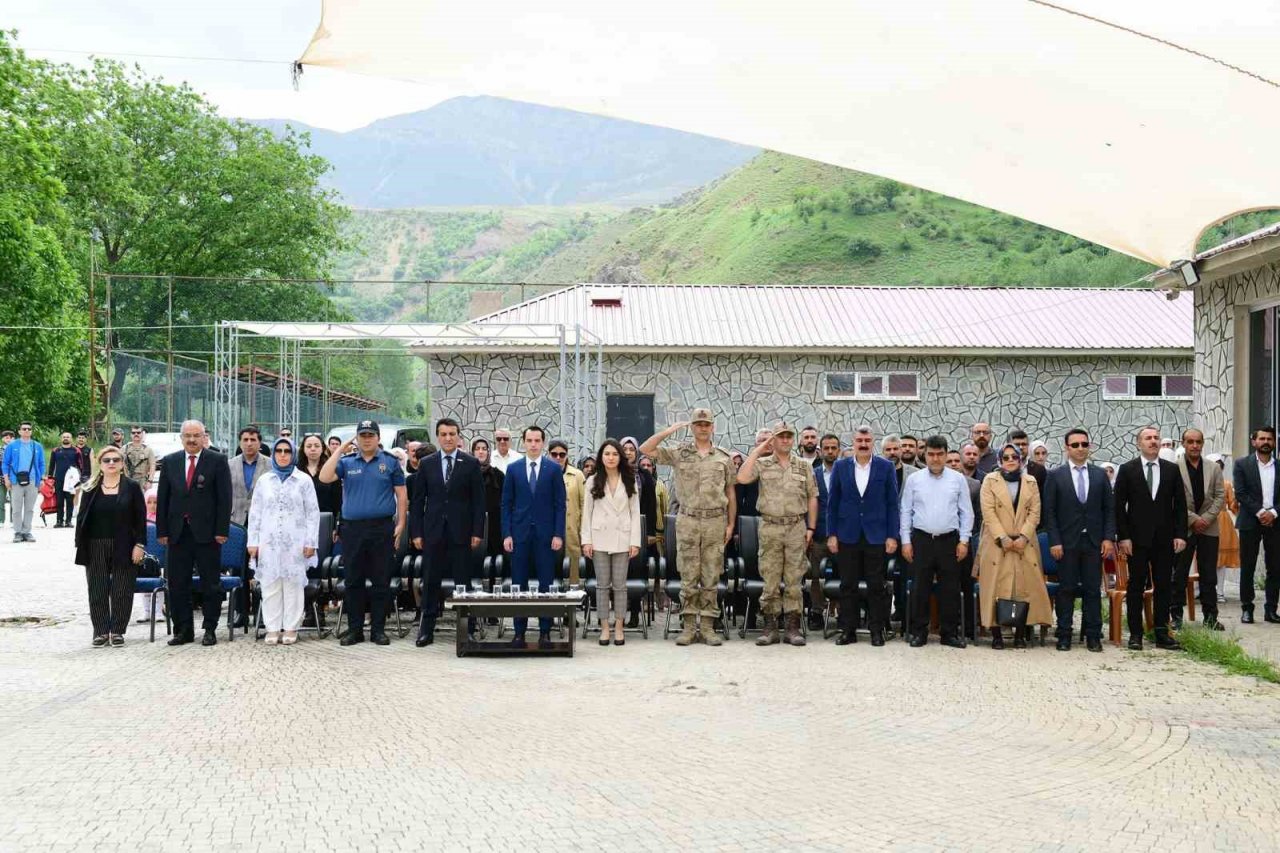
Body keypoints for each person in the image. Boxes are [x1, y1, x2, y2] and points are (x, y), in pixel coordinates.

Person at [641, 410, 736, 646]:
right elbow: (646, 449)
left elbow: (730, 493)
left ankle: (707, 627)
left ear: (712, 427)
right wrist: (670, 430)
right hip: (688, 520)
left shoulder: (723, 457)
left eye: (706, 424)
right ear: (692, 427)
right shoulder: (679, 453)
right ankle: (689, 625)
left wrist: (731, 523)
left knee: (711, 574)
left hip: (715, 520)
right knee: (688, 573)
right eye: (698, 424)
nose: (702, 428)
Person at [321, 420, 407, 646]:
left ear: (378, 438)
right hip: (352, 529)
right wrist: (340, 449)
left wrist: (401, 523)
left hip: (381, 527)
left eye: (370, 435)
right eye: (362, 435)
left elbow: (402, 494)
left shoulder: (389, 462)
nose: (366, 439)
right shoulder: (347, 462)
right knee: (353, 580)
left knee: (381, 579)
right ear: (357, 438)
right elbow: (324, 476)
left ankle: (378, 629)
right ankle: (355, 629)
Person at [738, 423, 818, 646]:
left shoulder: (803, 466)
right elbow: (742, 478)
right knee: (770, 578)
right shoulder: (762, 464)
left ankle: (792, 627)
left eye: (788, 437)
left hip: (796, 527)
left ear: (794, 440)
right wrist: (759, 448)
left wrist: (811, 528)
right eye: (780, 437)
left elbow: (812, 497)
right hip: (770, 527)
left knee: (794, 579)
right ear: (773, 440)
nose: (785, 441)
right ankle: (770, 626)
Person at [409, 418, 485, 646]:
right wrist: (416, 533)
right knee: (430, 582)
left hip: (461, 532)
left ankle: (467, 629)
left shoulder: (470, 463)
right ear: (438, 437)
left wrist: (477, 532)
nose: (448, 438)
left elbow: (478, 502)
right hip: (433, 532)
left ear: (458, 436)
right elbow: (417, 501)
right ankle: (426, 630)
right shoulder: (427, 463)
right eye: (443, 434)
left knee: (463, 583)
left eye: (452, 434)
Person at [156, 420, 232, 646]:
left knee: (211, 583)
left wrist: (221, 530)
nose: (191, 440)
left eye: (196, 435)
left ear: (203, 437)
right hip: (177, 533)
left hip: (208, 534)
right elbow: (163, 499)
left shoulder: (217, 461)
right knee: (178, 583)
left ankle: (210, 628)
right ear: (181, 438)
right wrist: (162, 530)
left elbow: (224, 499)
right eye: (187, 436)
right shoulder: (170, 462)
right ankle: (183, 629)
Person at [1115, 426, 1188, 649]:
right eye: (1148, 438)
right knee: (1136, 586)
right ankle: (1136, 634)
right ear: (1139, 443)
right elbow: (1119, 506)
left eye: (1156, 438)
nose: (1153, 441)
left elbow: (1180, 506)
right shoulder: (1128, 470)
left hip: (1165, 539)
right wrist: (1124, 537)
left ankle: (1161, 634)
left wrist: (1180, 534)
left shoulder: (1171, 470)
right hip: (1136, 540)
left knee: (1164, 586)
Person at [1042, 428, 1114, 652]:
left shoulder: (1100, 475)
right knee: (1066, 589)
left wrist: (1108, 538)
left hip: (1093, 542)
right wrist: (1054, 541)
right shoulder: (1055, 476)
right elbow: (1049, 512)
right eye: (1075, 445)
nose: (1080, 448)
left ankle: (1093, 635)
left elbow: (1109, 510)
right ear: (1067, 448)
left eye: (1084, 444)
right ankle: (1064, 634)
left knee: (1093, 590)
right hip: (1066, 542)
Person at [827, 426, 899, 646]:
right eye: (859, 440)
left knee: (876, 586)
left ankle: (877, 630)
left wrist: (892, 536)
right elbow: (833, 504)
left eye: (867, 440)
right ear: (853, 441)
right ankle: (848, 630)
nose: (864, 443)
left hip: (876, 536)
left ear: (873, 441)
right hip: (847, 535)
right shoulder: (840, 467)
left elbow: (892, 504)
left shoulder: (885, 467)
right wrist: (831, 534)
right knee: (847, 585)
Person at [899, 435, 973, 648]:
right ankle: (919, 632)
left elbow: (966, 512)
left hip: (950, 541)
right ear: (925, 454)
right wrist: (906, 541)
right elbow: (905, 511)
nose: (935, 459)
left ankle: (949, 633)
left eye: (940, 454)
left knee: (949, 588)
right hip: (921, 540)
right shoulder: (915, 480)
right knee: (920, 588)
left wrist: (964, 541)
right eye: (931, 454)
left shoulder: (957, 479)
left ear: (946, 453)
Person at [976, 445, 1053, 649]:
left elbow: (1035, 512)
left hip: (1024, 542)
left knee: (1024, 588)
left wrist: (1023, 536)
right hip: (996, 542)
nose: (1011, 460)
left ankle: (1020, 634)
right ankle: (996, 635)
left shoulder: (1031, 481)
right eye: (1006, 457)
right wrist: (1003, 537)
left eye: (1015, 457)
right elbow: (988, 512)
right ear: (1000, 461)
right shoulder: (989, 481)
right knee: (994, 588)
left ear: (1020, 460)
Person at [247, 438, 319, 645]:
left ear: (294, 454)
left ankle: (290, 627)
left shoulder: (303, 480)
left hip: (296, 541)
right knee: (270, 584)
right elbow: (256, 514)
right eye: (278, 450)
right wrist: (253, 542)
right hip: (268, 541)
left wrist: (310, 543)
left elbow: (313, 514)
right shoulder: (264, 480)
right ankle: (272, 627)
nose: (283, 454)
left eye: (287, 450)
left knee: (293, 585)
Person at [74, 446, 147, 647]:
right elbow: (82, 519)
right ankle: (100, 630)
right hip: (95, 544)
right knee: (97, 588)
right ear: (101, 464)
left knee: (122, 588)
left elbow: (140, 519)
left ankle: (117, 630)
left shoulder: (131, 487)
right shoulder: (90, 488)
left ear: (122, 463)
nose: (111, 463)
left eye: (116, 460)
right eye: (107, 460)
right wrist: (79, 544)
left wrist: (139, 544)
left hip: (124, 544)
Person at [501, 425, 566, 648]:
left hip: (546, 536)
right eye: (530, 440)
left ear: (543, 443)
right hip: (519, 535)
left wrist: (558, 533)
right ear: (524, 442)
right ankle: (519, 632)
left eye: (537, 440)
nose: (534, 444)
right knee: (519, 583)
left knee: (545, 584)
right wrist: (507, 534)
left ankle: (545, 631)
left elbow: (560, 506)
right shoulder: (514, 469)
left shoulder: (553, 469)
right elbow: (506, 504)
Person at [581, 438, 643, 646]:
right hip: (599, 538)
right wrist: (586, 541)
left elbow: (635, 513)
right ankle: (604, 626)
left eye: (615, 454)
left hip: (622, 538)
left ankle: (619, 626)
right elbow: (586, 514)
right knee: (601, 586)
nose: (611, 457)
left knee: (620, 586)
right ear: (601, 457)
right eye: (607, 454)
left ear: (620, 457)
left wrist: (635, 541)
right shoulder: (592, 481)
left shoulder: (630, 480)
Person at [1173, 428, 1225, 630]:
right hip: (1183, 529)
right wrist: (1193, 519)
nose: (1194, 445)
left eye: (1198, 442)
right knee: (1179, 574)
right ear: (1183, 443)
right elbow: (1173, 500)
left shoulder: (1214, 468)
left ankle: (1211, 617)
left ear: (1203, 444)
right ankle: (1175, 616)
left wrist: (1205, 519)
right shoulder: (1174, 468)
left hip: (1209, 528)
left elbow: (1220, 496)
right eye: (1190, 441)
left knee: (1209, 574)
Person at [1234, 426, 1280, 624]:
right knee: (1248, 567)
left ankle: (1271, 610)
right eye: (1262, 438)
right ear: (1254, 442)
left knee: (1276, 567)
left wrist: (1273, 513)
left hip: (1276, 522)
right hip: (1250, 520)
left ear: (1274, 443)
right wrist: (1261, 512)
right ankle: (1247, 609)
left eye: (1269, 439)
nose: (1266, 442)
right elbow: (1241, 493)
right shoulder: (1242, 464)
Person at [228, 426, 271, 628]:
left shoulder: (270, 465)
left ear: (259, 442)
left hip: (263, 524)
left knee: (263, 569)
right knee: (239, 569)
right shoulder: (229, 465)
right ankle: (240, 612)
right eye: (244, 439)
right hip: (237, 523)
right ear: (239, 442)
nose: (249, 443)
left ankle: (262, 613)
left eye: (253, 439)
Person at [946, 448, 983, 640]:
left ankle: (969, 627)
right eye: (949, 461)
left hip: (967, 542)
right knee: (948, 586)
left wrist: (969, 539)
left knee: (967, 586)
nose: (953, 464)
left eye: (955, 461)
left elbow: (978, 516)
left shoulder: (975, 485)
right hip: (944, 541)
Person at [809, 433, 841, 629]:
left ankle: (843, 613)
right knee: (815, 575)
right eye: (826, 448)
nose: (830, 451)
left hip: (843, 536)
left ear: (838, 450)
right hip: (819, 534)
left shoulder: (848, 472)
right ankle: (816, 612)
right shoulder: (813, 474)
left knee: (845, 574)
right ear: (820, 451)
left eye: (834, 448)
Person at [548, 440, 586, 584]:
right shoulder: (544, 473)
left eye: (562, 454)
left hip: (572, 528)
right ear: (549, 454)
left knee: (573, 563)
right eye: (554, 454)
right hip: (550, 526)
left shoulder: (577, 475)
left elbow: (584, 504)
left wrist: (583, 529)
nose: (558, 458)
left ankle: (574, 596)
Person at [2, 422, 45, 543]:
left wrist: (41, 478)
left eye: (29, 429)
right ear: (19, 431)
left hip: (32, 480)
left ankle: (26, 531)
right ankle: (17, 532)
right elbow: (5, 463)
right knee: (16, 508)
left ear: (31, 431)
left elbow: (42, 463)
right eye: (24, 429)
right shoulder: (12, 446)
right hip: (16, 480)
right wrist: (6, 478)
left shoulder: (37, 446)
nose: (26, 430)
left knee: (29, 508)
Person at [1209, 454, 1240, 603]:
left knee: (1220, 560)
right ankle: (1203, 590)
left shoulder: (1226, 484)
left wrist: (1237, 501)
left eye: (1219, 466)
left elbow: (1233, 506)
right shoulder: (1202, 483)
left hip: (1222, 523)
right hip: (1205, 522)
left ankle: (1220, 592)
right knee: (1205, 558)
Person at [470, 437, 506, 561]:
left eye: (484, 449)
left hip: (494, 525)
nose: (481, 452)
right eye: (477, 449)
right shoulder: (465, 474)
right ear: (472, 452)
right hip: (471, 524)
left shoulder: (498, 475)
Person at [299, 433, 342, 521]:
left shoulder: (330, 470)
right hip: (300, 519)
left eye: (317, 446)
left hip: (325, 520)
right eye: (309, 446)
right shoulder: (296, 471)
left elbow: (337, 500)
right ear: (303, 449)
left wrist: (335, 526)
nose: (313, 449)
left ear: (322, 449)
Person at [50, 432, 80, 528]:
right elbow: (51, 466)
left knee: (70, 501)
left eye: (68, 437)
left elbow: (80, 465)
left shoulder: (76, 451)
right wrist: (50, 478)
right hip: (59, 479)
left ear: (71, 439)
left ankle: (68, 521)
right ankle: (59, 521)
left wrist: (80, 479)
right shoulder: (55, 450)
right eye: (64, 437)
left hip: (71, 481)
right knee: (59, 501)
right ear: (61, 439)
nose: (66, 438)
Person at [0, 429, 12, 528]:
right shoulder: (0, 450)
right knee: (1, 500)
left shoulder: (17, 450)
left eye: (10, 437)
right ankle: (1, 520)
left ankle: (13, 521)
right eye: (6, 437)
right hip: (1, 477)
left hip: (14, 478)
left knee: (15, 501)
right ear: (3, 439)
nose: (8, 439)